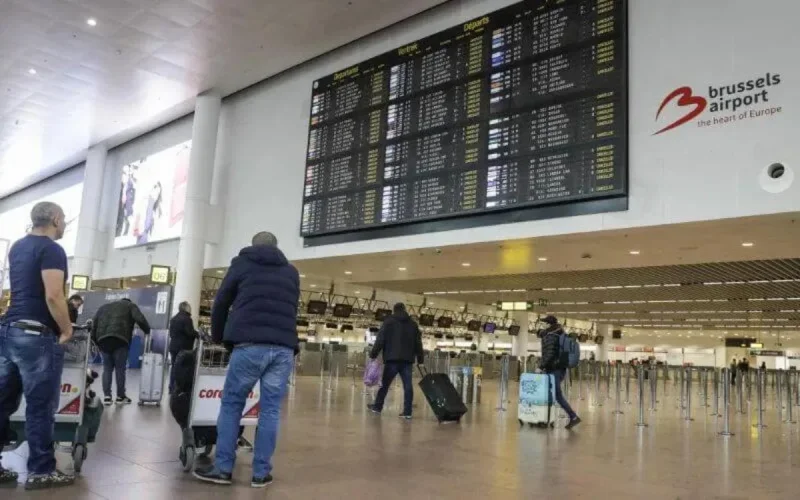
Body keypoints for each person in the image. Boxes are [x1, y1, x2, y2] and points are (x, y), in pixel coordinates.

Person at [193, 231, 300, 488]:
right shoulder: (291, 272)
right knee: (271, 411)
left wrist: (219, 337)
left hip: (249, 345)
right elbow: (291, 307)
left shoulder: (242, 263)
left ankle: (223, 469)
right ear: (277, 246)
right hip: (283, 348)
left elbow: (220, 303)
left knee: (232, 405)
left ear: (253, 246)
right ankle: (261, 473)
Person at [0, 202, 75, 489]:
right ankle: (41, 470)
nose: (64, 223)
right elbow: (54, 295)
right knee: (40, 406)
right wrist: (66, 329)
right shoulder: (52, 249)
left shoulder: (18, 247)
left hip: (8, 331)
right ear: (56, 218)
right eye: (64, 218)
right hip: (35, 336)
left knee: (3, 401)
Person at [367, 303, 424, 419]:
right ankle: (407, 412)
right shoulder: (413, 324)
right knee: (408, 386)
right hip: (407, 360)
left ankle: (377, 407)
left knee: (385, 385)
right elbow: (418, 343)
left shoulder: (388, 322)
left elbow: (380, 339)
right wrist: (420, 359)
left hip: (392, 359)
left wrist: (373, 354)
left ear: (394, 310)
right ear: (405, 310)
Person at [91, 298, 151, 405]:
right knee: (120, 369)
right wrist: (147, 330)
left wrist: (95, 341)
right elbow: (140, 319)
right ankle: (120, 396)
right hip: (120, 339)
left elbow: (94, 324)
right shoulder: (130, 305)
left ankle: (107, 397)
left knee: (107, 368)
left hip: (103, 340)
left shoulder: (103, 307)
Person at [539, 315, 581, 429]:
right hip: (559, 368)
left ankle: (569, 417)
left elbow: (549, 354)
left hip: (553, 368)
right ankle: (549, 419)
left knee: (553, 394)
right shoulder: (560, 333)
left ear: (548, 324)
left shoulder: (551, 335)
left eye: (544, 323)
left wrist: (541, 366)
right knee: (554, 394)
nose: (542, 325)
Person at [168, 301, 198, 393]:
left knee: (174, 367)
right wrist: (197, 334)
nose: (190, 308)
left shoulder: (173, 319)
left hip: (173, 347)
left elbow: (171, 334)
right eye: (189, 307)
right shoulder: (187, 319)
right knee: (182, 369)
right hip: (183, 348)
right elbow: (189, 332)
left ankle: (171, 387)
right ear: (186, 308)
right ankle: (179, 388)